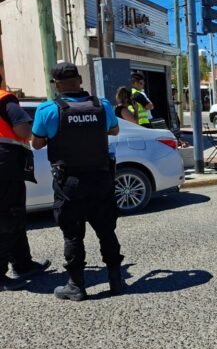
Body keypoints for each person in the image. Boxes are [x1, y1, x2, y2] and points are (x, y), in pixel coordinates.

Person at [31, 63, 124, 301]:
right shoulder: (101, 105)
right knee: (106, 231)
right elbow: (114, 131)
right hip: (101, 178)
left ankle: (76, 285)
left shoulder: (48, 109)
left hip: (69, 183)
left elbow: (37, 144)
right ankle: (116, 281)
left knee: (73, 235)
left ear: (56, 84)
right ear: (80, 80)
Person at [0, 79, 50, 291]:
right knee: (9, 218)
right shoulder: (5, 99)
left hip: (6, 169)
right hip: (5, 168)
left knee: (14, 216)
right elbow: (23, 131)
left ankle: (23, 264)